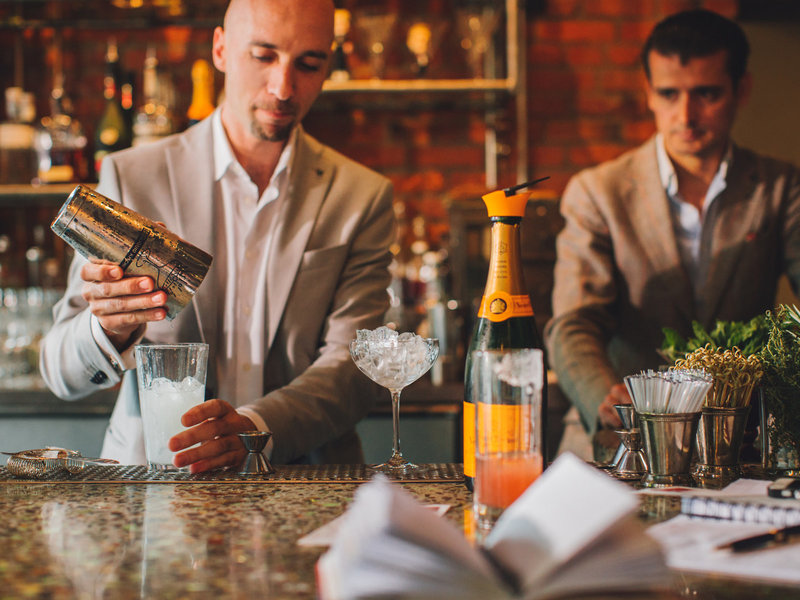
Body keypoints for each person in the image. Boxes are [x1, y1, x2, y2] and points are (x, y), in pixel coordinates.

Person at [40, 0, 394, 472]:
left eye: (309, 64)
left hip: (303, 481)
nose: (283, 88)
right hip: (155, 480)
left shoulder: (362, 196)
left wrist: (255, 428)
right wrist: (110, 327)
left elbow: (355, 366)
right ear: (221, 49)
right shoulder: (133, 177)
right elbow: (59, 371)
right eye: (263, 56)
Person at [545, 9, 800, 452]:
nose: (686, 115)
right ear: (648, 93)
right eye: (668, 94)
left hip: (739, 442)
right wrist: (604, 395)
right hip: (619, 438)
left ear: (742, 89)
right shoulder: (598, 192)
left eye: (706, 94)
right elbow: (574, 322)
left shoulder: (780, 187)